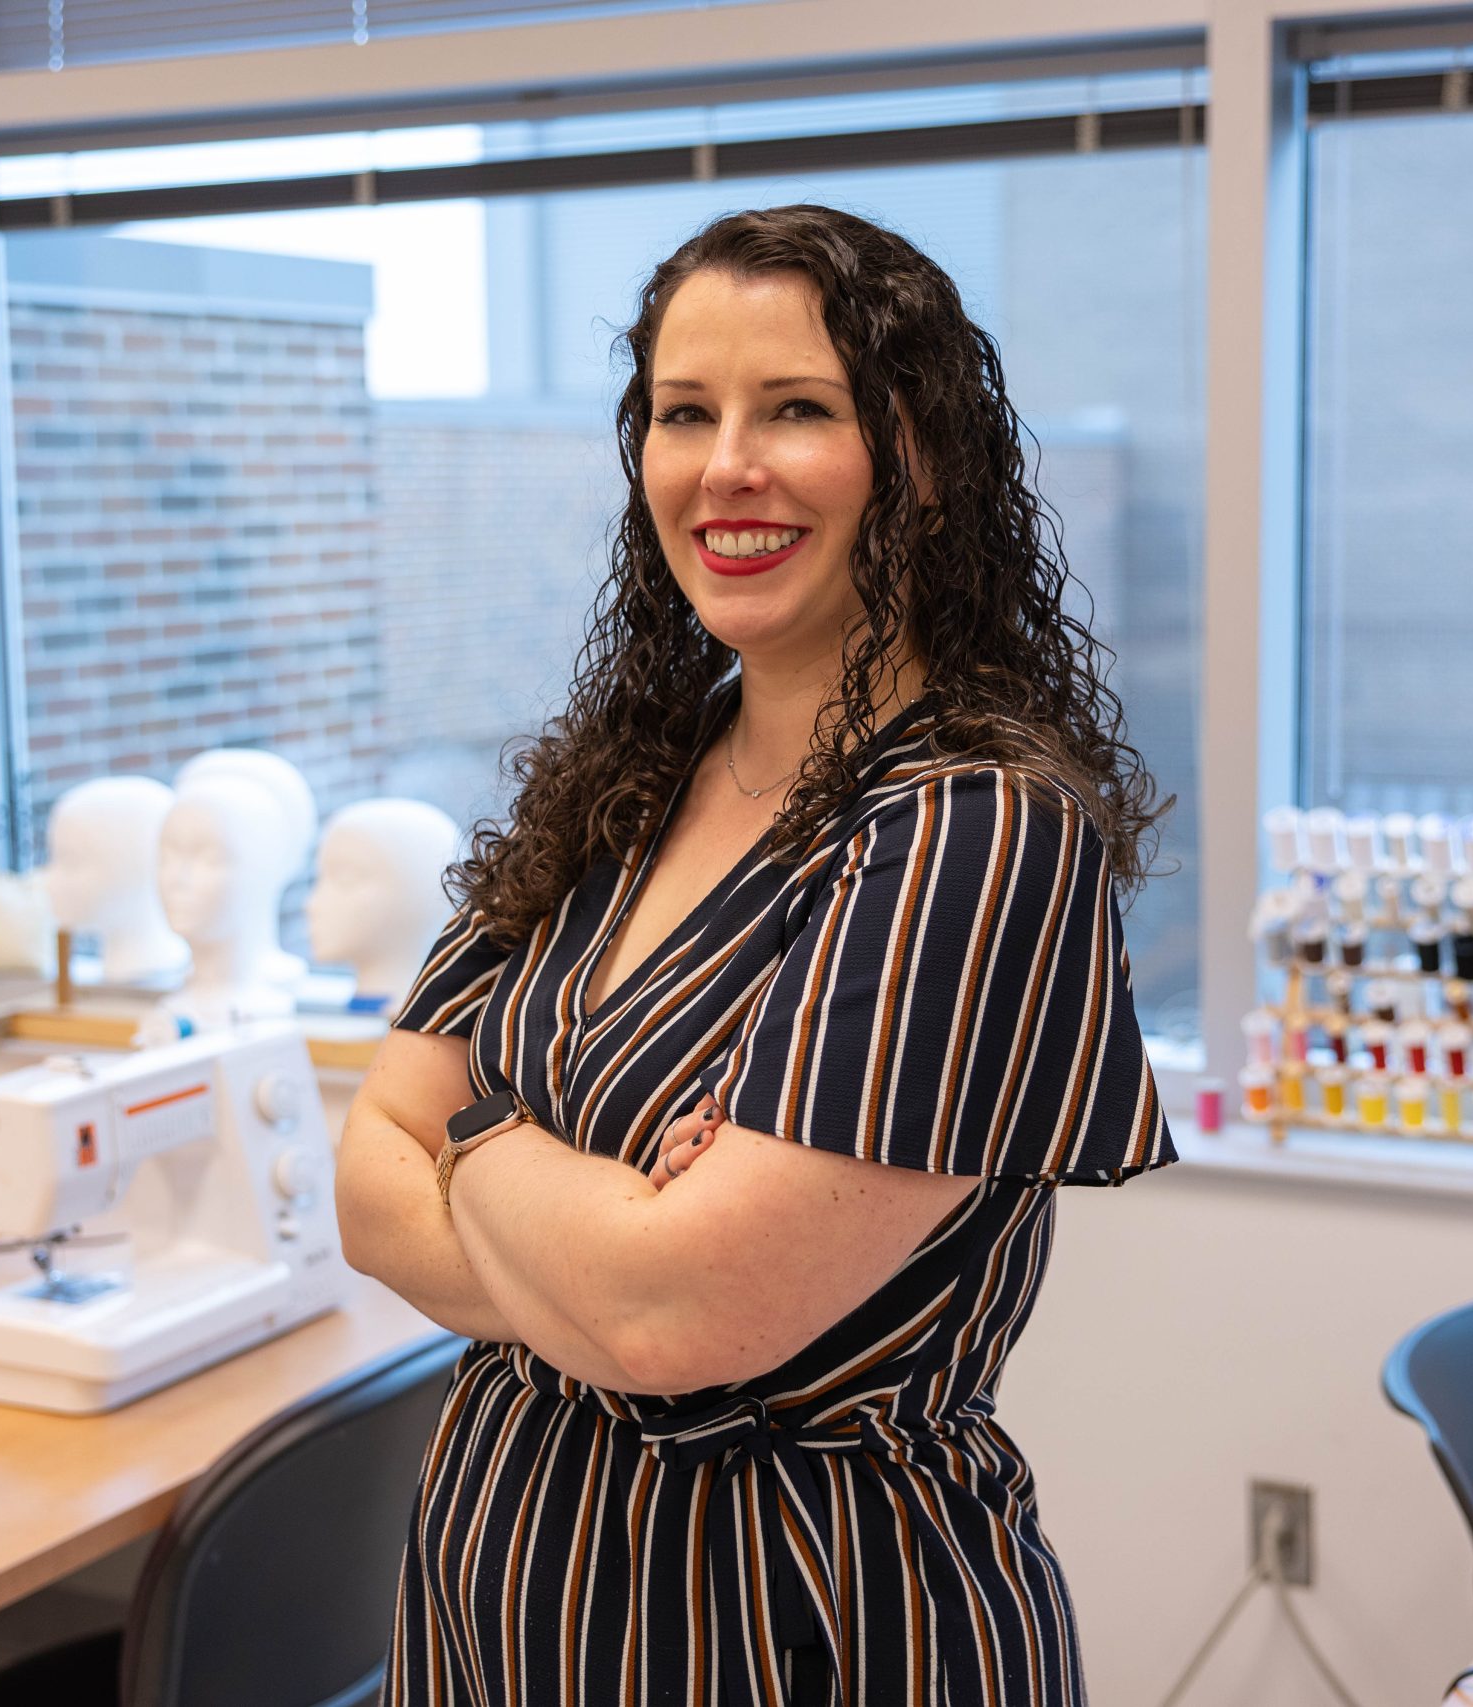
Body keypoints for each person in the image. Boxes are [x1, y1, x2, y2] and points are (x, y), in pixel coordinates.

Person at [336, 203, 1177, 1707]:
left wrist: (472, 1138)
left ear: (916, 458)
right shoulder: (621, 778)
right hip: (489, 1626)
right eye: (683, 414)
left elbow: (682, 1312)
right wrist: (602, 1219)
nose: (727, 466)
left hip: (811, 1629)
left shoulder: (975, 832)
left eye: (798, 408)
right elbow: (359, 1187)